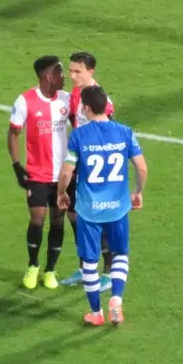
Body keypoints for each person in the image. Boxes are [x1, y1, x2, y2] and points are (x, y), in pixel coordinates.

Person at [57, 85, 148, 326]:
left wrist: (61, 193)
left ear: (86, 108)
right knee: (120, 254)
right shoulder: (125, 132)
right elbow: (142, 167)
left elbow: (67, 170)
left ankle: (96, 312)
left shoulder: (79, 135)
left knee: (89, 262)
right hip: (118, 207)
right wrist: (137, 192)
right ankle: (116, 299)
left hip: (89, 209)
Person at [9, 55, 72, 289]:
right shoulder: (25, 101)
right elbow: (13, 133)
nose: (64, 76)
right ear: (49, 76)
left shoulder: (66, 99)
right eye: (60, 72)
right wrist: (17, 166)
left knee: (58, 220)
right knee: (37, 220)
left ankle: (50, 270)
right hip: (36, 174)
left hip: (63, 175)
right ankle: (33, 265)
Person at [61, 52, 115, 288]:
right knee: (75, 215)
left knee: (98, 219)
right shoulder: (75, 94)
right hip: (77, 166)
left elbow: (108, 134)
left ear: (90, 71)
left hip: (95, 169)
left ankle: (108, 273)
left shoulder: (102, 101)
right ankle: (84, 268)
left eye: (77, 71)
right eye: (70, 70)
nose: (71, 76)